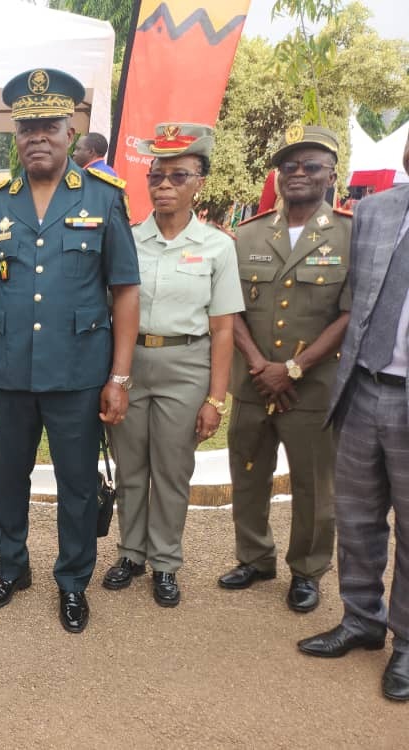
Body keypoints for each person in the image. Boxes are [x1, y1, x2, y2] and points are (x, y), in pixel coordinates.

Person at [0, 68, 140, 633]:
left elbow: (125, 291)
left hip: (77, 373)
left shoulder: (103, 197)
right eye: (27, 127)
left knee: (77, 483)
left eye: (49, 125)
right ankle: (12, 568)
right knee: (7, 479)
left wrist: (119, 377)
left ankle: (72, 582)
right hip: (10, 370)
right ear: (15, 136)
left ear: (71, 131)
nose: (37, 136)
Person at [104, 123, 243, 607]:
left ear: (199, 182)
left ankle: (165, 562)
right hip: (130, 361)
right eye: (157, 176)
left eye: (178, 176)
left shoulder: (217, 246)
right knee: (131, 466)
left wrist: (215, 399)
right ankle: (130, 552)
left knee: (172, 468)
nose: (164, 185)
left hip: (186, 365)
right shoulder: (127, 239)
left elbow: (223, 328)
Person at [219, 125, 351, 614]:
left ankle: (308, 570)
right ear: (277, 175)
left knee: (313, 483)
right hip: (254, 383)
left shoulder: (348, 233)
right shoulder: (249, 234)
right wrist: (259, 364)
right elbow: (229, 306)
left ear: (331, 174)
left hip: (312, 387)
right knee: (249, 471)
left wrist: (293, 368)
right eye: (288, 165)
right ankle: (255, 557)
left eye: (310, 165)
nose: (298, 173)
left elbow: (350, 313)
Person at [297, 130, 409, 702]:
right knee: (359, 517)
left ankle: (407, 643)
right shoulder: (376, 211)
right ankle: (361, 620)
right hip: (364, 387)